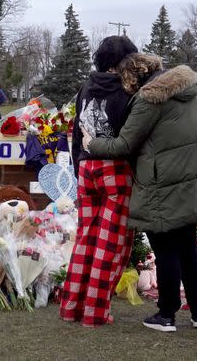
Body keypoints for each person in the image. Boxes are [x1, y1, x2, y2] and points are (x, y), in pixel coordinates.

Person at [82, 53, 197, 332]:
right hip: (190, 179)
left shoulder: (150, 98)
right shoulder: (184, 90)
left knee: (165, 248)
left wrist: (92, 143)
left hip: (163, 184)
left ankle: (166, 315)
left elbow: (124, 144)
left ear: (132, 76)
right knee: (187, 247)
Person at [59, 36, 138, 327]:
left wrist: (79, 161)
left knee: (86, 237)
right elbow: (131, 138)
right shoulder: (128, 91)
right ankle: (95, 312)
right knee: (109, 242)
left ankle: (72, 307)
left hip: (85, 168)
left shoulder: (85, 89)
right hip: (115, 168)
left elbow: (77, 134)